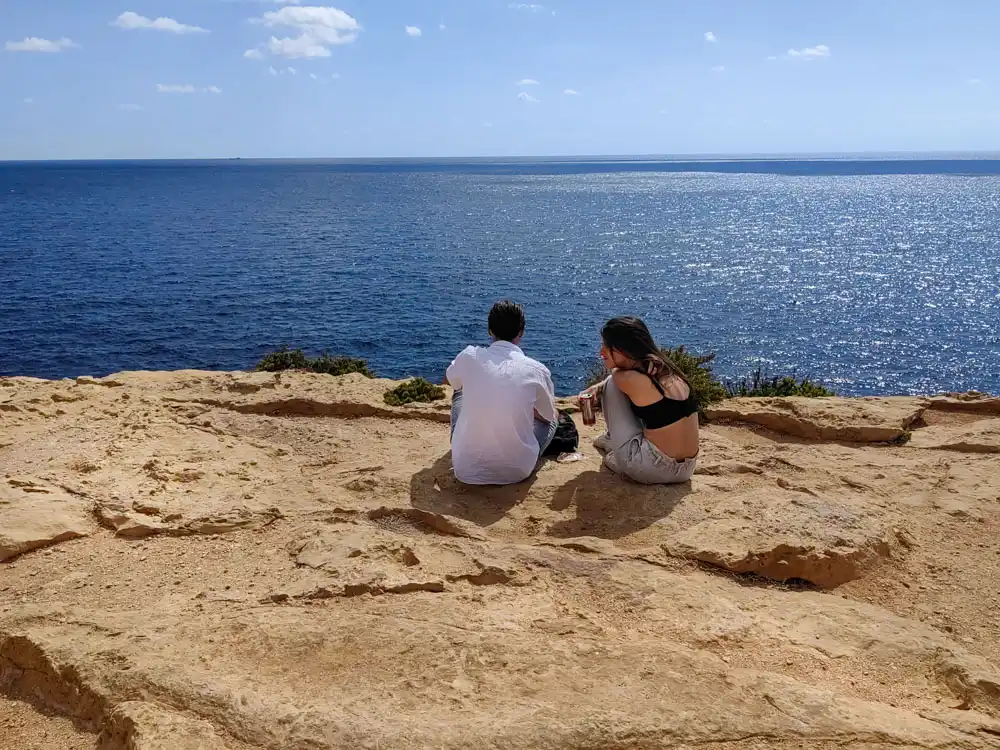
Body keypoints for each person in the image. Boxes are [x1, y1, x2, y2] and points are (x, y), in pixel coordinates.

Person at [445, 300, 558, 485]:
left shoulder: (469, 356)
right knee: (552, 419)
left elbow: (452, 379)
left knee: (459, 392)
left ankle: (466, 443)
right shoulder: (537, 370)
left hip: (465, 468)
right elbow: (547, 416)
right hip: (516, 471)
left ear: (490, 330)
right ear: (521, 332)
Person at [581, 316, 699, 484]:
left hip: (653, 469)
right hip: (687, 469)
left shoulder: (628, 378)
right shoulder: (670, 372)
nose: (601, 352)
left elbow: (615, 375)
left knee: (612, 384)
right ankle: (617, 444)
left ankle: (613, 441)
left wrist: (602, 385)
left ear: (624, 348)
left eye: (607, 347)